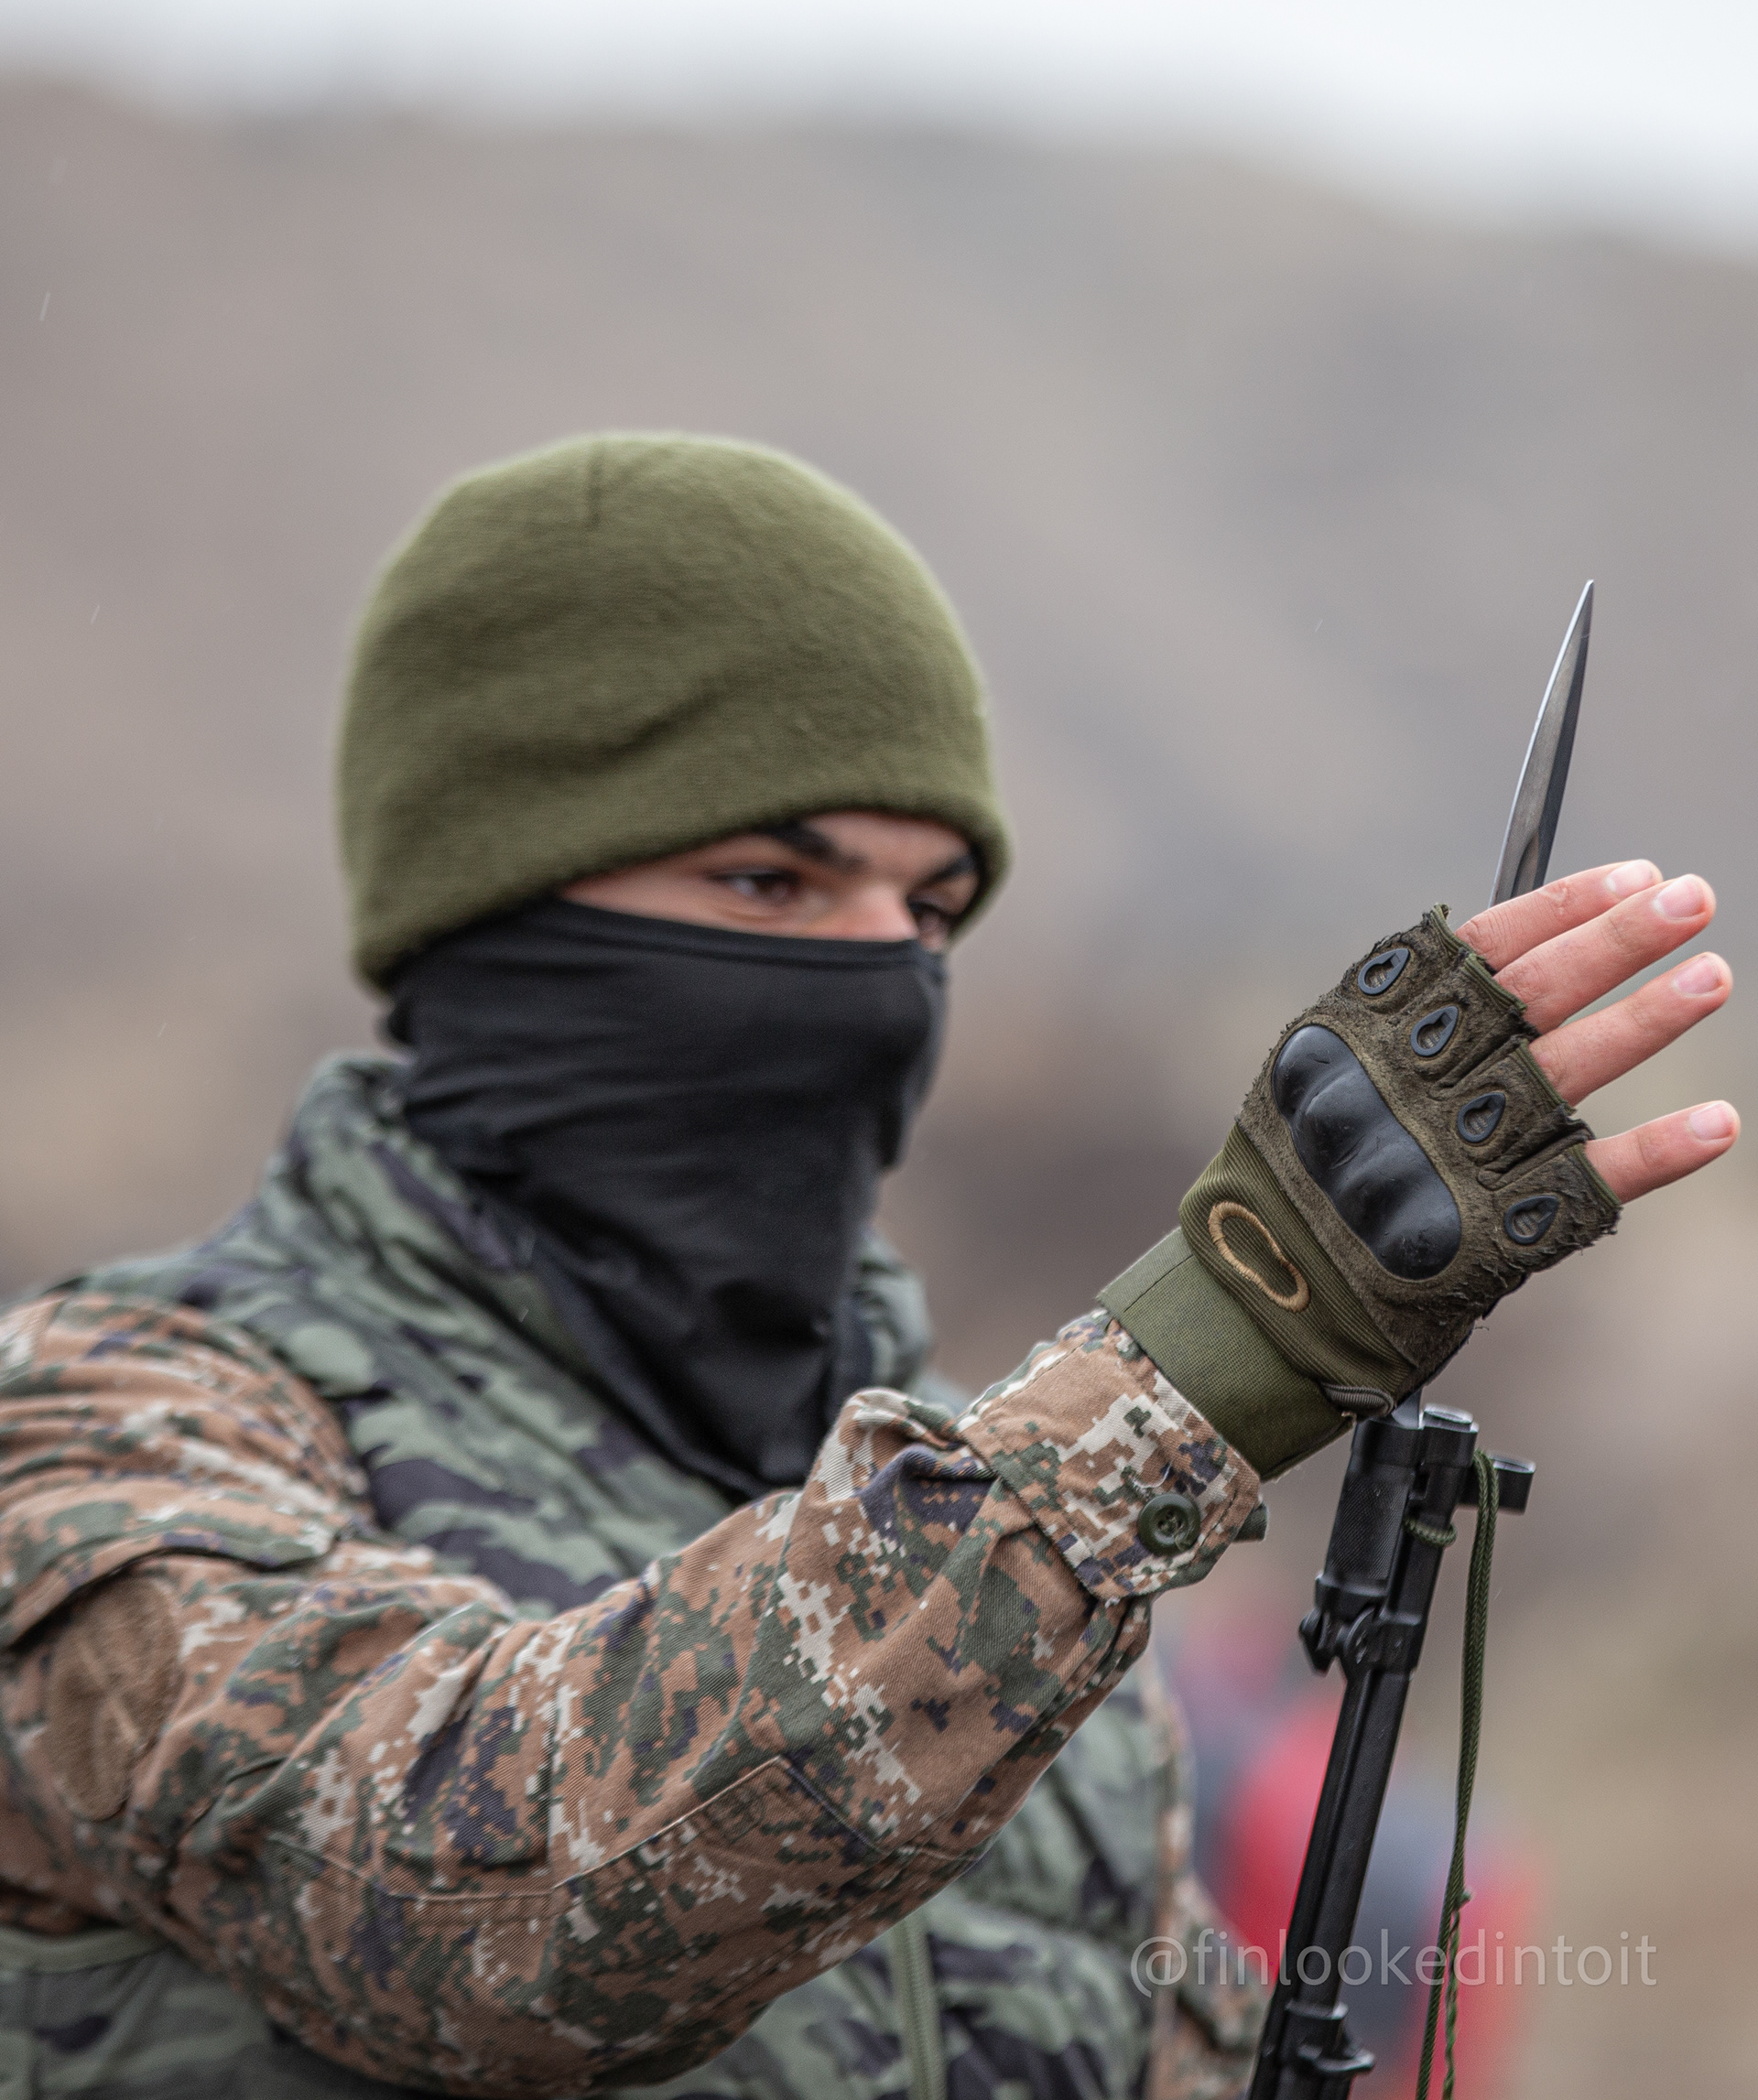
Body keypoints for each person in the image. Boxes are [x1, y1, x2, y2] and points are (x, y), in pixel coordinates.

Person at [0, 436, 1735, 2100]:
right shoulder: (114, 1428)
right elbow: (469, 1909)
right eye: (772, 880)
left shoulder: (963, 1521)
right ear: (492, 919)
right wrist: (1227, 1333)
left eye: (933, 908)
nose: (882, 978)